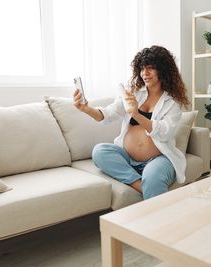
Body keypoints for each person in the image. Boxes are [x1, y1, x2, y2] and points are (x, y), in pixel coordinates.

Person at [73, 45, 189, 199]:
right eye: (141, 68)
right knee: (100, 151)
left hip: (159, 158)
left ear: (163, 70)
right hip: (128, 157)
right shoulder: (134, 93)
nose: (144, 73)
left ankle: (153, 208)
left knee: (153, 175)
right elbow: (109, 114)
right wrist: (86, 109)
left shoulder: (173, 102)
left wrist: (136, 114)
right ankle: (141, 186)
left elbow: (164, 132)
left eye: (150, 68)